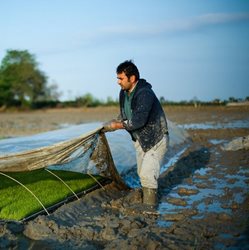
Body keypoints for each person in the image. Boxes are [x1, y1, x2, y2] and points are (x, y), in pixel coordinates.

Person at [103, 60, 169, 209]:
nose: (118, 82)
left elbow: (138, 121)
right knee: (141, 172)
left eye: (121, 78)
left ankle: (150, 208)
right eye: (117, 78)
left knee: (147, 174)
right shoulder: (124, 93)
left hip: (155, 138)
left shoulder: (145, 93)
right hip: (140, 139)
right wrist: (114, 121)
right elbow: (125, 114)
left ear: (132, 78)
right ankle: (147, 199)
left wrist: (115, 126)